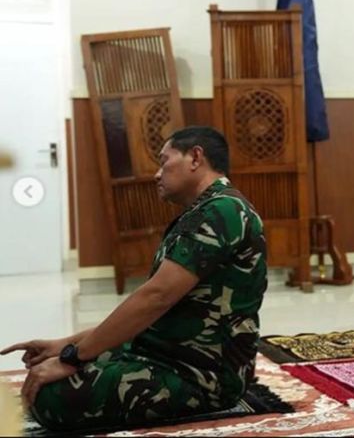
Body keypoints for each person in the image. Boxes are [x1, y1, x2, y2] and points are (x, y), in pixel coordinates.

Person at [1, 126, 268, 431]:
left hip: (203, 375)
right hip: (168, 352)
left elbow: (156, 298)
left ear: (195, 157)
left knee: (54, 398)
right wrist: (66, 344)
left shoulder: (223, 211)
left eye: (164, 161)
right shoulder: (207, 210)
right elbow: (157, 309)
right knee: (47, 370)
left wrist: (72, 358)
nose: (157, 174)